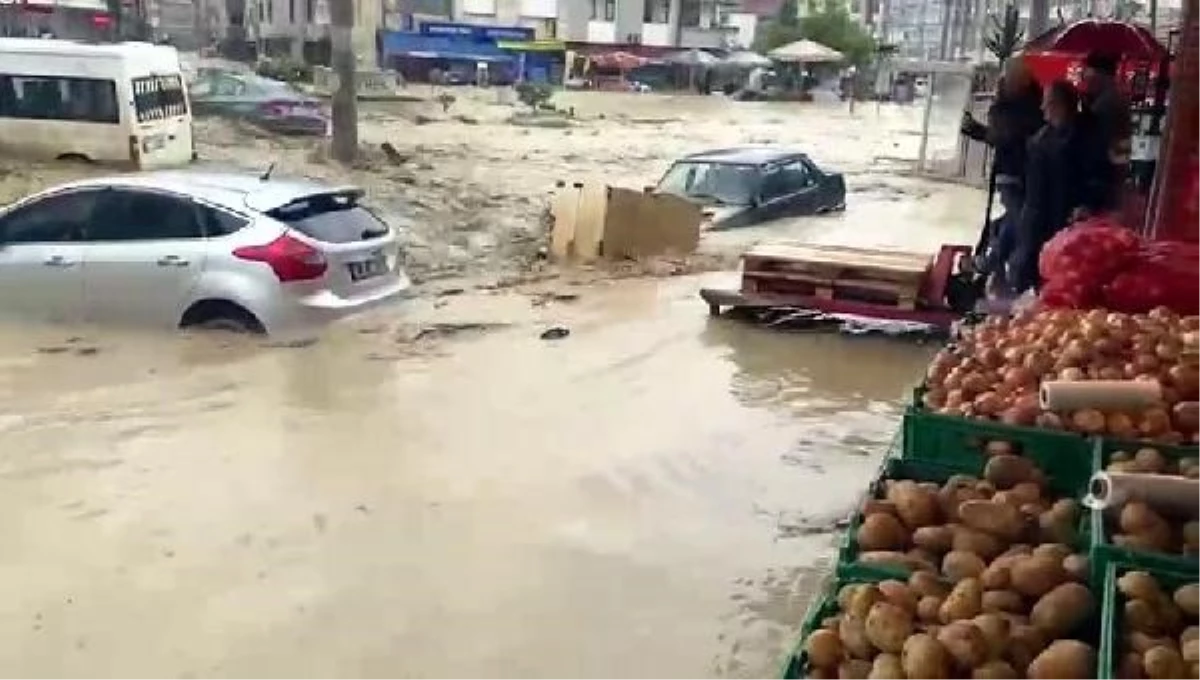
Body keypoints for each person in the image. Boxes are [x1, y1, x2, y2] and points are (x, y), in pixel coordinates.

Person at [961, 57, 1044, 293]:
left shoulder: (1015, 105)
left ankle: (991, 262)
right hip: (1013, 173)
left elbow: (1005, 137)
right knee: (1018, 221)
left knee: (1017, 222)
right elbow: (1005, 137)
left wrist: (978, 131)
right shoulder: (1019, 104)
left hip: (1021, 173)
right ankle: (992, 264)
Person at [1010, 80, 1090, 294]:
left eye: (1048, 103)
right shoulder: (1043, 139)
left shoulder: (1072, 140)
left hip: (1060, 217)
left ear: (1060, 106)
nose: (1042, 108)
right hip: (1045, 216)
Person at [1077, 51, 1133, 214]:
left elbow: (1095, 142)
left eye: (1087, 72)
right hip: (1113, 174)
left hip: (1103, 178)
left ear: (1099, 74)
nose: (1085, 78)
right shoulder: (1114, 98)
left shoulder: (1106, 104)